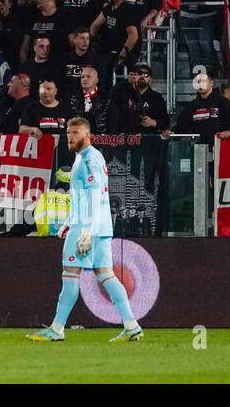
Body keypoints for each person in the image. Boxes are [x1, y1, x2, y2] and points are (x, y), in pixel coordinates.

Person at [27, 117, 144, 343]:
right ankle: (132, 326)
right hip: (99, 226)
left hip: (87, 228)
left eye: (76, 133)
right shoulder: (86, 158)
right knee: (106, 276)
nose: (71, 137)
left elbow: (95, 193)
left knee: (70, 275)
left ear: (87, 135)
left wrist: (85, 230)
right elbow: (82, 196)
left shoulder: (90, 158)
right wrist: (69, 222)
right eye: (69, 133)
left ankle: (57, 328)